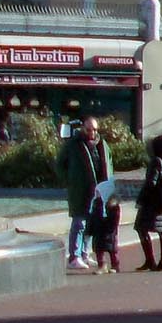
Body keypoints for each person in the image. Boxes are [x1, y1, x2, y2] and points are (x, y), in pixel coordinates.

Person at [57, 116, 111, 271]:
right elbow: (60, 165)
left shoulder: (102, 144)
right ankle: (74, 256)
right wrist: (70, 180)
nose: (92, 132)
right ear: (83, 129)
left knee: (91, 225)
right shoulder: (73, 145)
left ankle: (85, 253)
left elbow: (108, 163)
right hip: (80, 190)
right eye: (89, 129)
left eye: (94, 129)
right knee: (79, 223)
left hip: (99, 190)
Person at [134, 133, 162, 272]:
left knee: (141, 228)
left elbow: (150, 184)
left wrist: (141, 200)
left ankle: (150, 260)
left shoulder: (156, 161)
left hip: (152, 203)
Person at [88, 184, 122, 275]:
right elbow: (92, 217)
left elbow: (115, 219)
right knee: (99, 249)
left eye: (99, 192)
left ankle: (115, 265)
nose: (97, 193)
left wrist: (111, 228)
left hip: (108, 231)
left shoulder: (113, 205)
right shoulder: (96, 203)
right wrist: (89, 229)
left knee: (112, 249)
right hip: (98, 230)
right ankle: (102, 265)